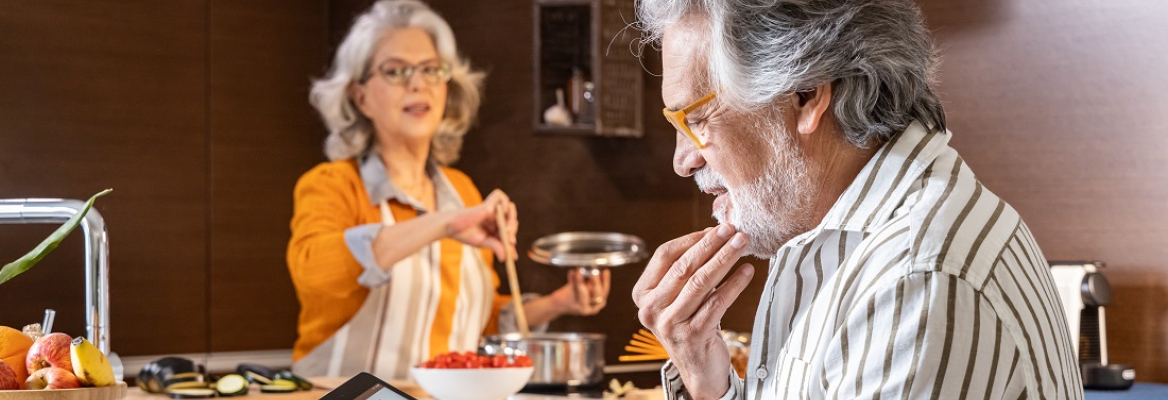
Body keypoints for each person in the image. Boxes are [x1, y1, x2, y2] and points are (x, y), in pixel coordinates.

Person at [631, 0, 1082, 399]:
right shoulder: (835, 240)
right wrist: (709, 384)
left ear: (806, 94)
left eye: (696, 119)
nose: (682, 161)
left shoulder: (915, 276)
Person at [286, 0, 610, 380]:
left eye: (430, 69)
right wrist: (442, 224)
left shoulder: (461, 192)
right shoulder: (334, 185)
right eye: (395, 71)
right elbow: (315, 274)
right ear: (360, 97)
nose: (417, 83)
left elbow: (480, 322)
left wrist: (559, 302)